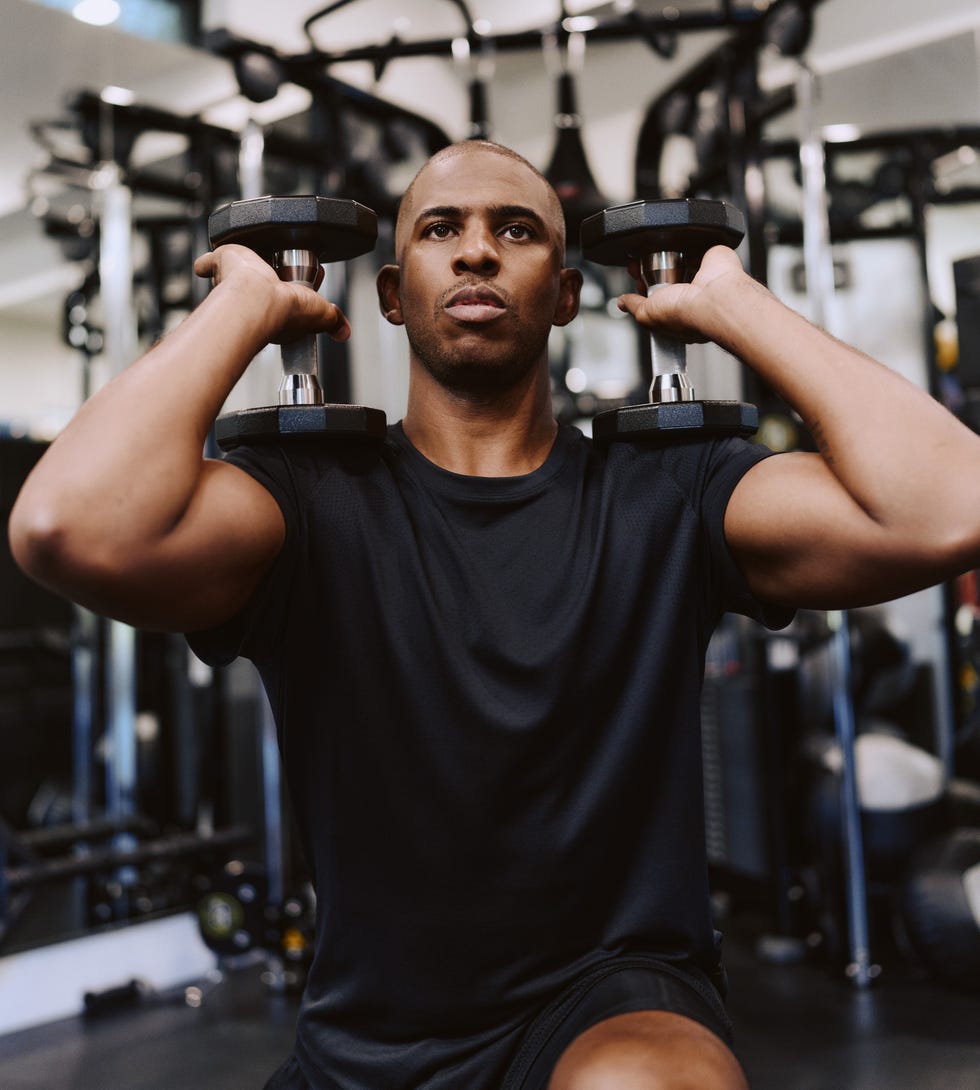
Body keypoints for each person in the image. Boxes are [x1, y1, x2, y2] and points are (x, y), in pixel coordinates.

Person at [9, 139, 980, 1090]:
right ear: (392, 296)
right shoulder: (306, 504)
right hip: (367, 1045)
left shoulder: (667, 493)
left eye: (515, 230)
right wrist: (242, 305)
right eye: (441, 229)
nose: (476, 249)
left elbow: (952, 505)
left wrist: (734, 303)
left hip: (608, 1002)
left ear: (565, 293)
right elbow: (65, 526)